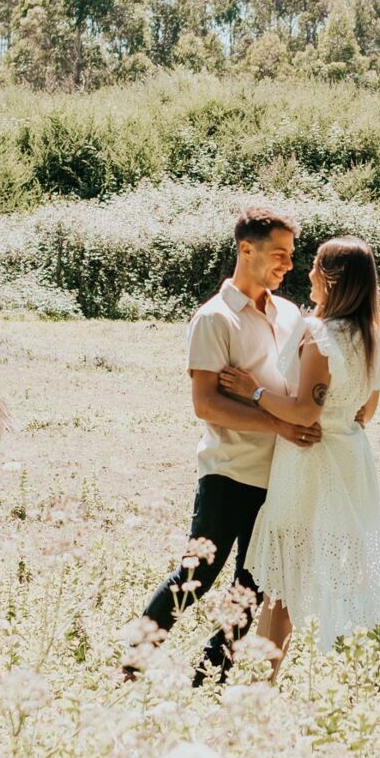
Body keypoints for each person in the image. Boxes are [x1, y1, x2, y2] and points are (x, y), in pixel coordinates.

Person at [218, 236, 380, 678]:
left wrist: (253, 391)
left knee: (282, 579)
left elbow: (304, 411)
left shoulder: (318, 334)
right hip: (352, 460)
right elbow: (366, 410)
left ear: (332, 278)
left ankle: (263, 683)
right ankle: (364, 670)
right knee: (350, 565)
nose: (309, 274)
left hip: (308, 462)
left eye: (316, 265)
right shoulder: (368, 336)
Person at [122, 208, 320, 683]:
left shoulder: (292, 315)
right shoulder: (214, 319)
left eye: (292, 256)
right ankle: (132, 665)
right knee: (195, 577)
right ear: (245, 250)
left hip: (283, 476)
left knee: (252, 586)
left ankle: (208, 676)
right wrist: (280, 425)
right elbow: (206, 404)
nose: (288, 264)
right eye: (279, 254)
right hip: (229, 470)